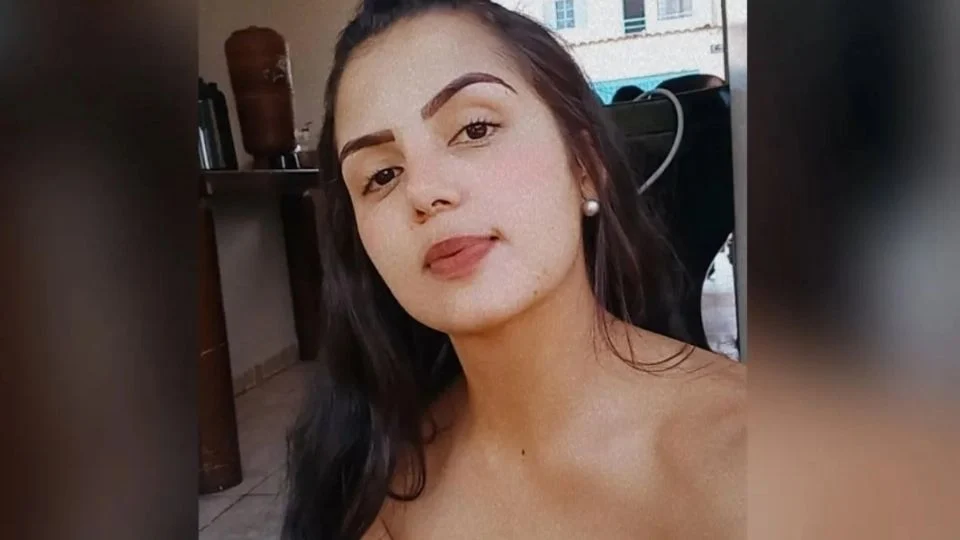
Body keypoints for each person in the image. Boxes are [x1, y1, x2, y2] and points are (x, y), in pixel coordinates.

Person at [283, 1, 745, 538]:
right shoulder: (369, 477)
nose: (424, 191)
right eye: (382, 175)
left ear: (585, 166)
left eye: (475, 128)